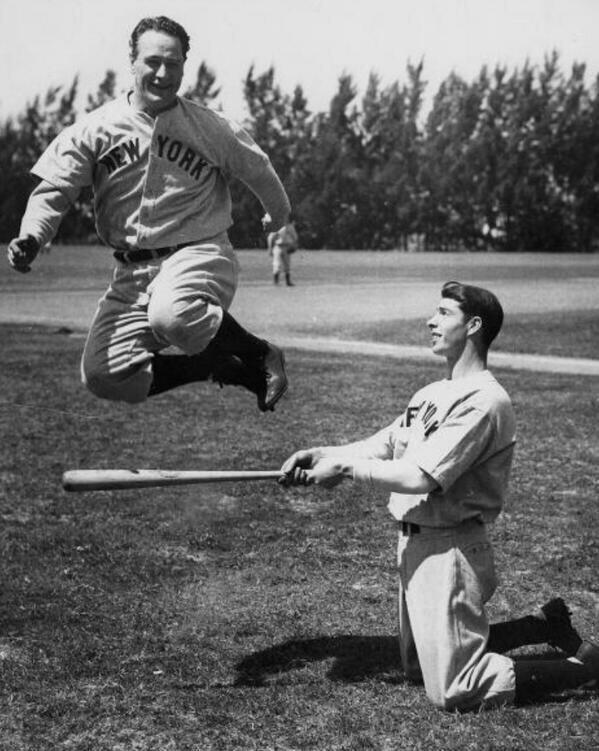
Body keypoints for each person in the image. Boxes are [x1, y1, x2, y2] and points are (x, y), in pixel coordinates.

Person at [280, 281, 599, 711]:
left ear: (474, 326)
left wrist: (343, 470)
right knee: (418, 666)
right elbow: (384, 444)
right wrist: (324, 454)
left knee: (455, 688)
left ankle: (586, 669)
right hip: (415, 544)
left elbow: (420, 477)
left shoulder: (485, 401)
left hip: (450, 547)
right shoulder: (431, 393)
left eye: (443, 313)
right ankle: (541, 626)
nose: (431, 321)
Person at [7, 15, 290, 413]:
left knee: (172, 314)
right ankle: (213, 366)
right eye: (153, 61)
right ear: (133, 62)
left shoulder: (208, 126)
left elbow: (258, 169)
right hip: (132, 272)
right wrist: (33, 235)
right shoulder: (95, 128)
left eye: (173, 63)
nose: (162, 73)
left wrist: (278, 215)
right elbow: (56, 188)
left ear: (184, 66)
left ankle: (260, 353)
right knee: (103, 373)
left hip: (198, 253)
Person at [267, 218, 298, 286]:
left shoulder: (290, 228)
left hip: (286, 248)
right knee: (277, 264)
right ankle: (276, 282)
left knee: (286, 265)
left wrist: (294, 246)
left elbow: (295, 238)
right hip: (278, 247)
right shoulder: (280, 228)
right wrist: (270, 249)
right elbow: (271, 238)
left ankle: (287, 282)